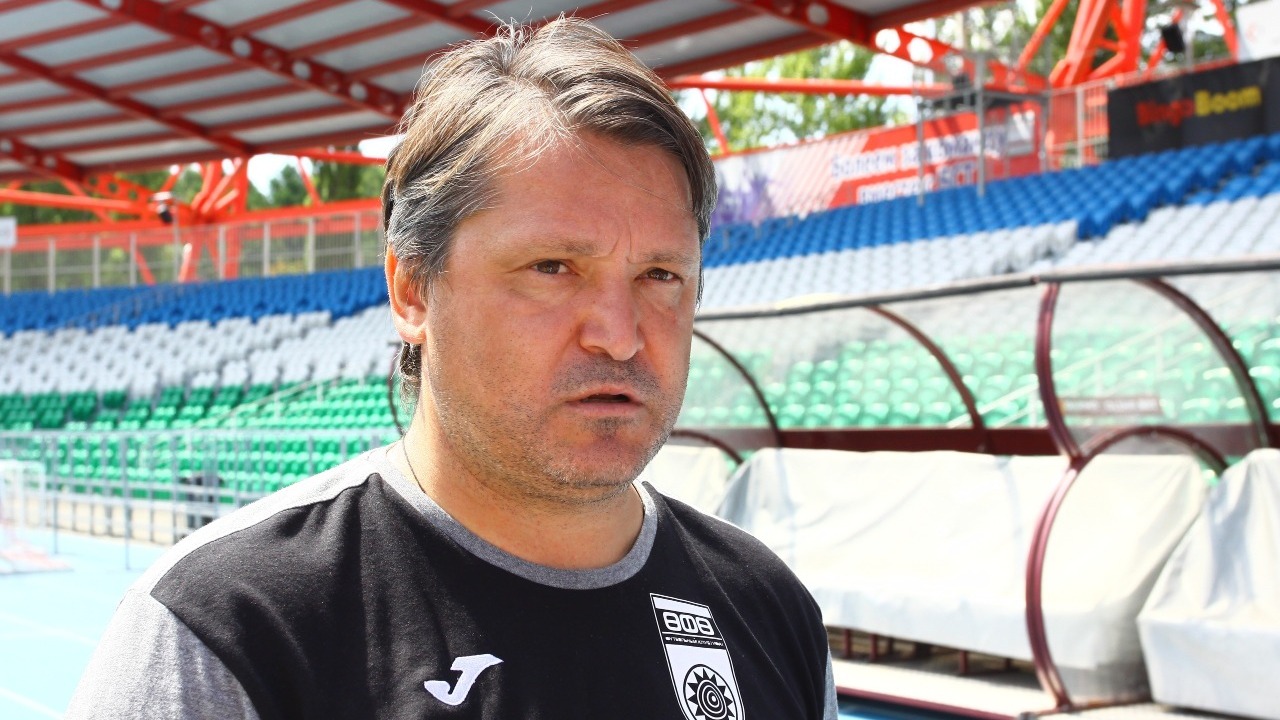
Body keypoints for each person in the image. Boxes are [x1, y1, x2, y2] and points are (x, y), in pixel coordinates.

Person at [67, 18, 837, 719]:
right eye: (552, 267)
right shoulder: (226, 631)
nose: (620, 335)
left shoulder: (770, 610)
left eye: (659, 275)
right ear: (412, 290)